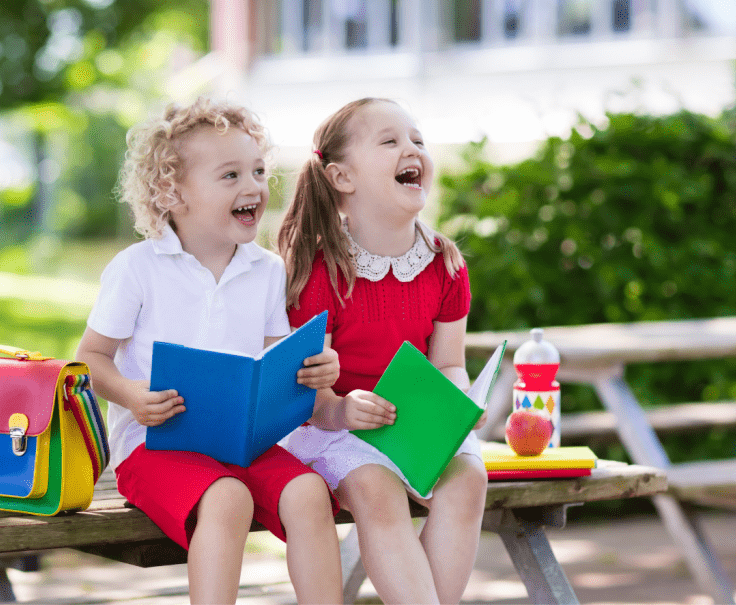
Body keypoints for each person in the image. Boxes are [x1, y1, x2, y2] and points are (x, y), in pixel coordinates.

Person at [75, 98, 343, 605]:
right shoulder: (138, 268)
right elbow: (90, 359)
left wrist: (313, 371)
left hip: (243, 444)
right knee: (227, 498)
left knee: (309, 493)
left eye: (259, 171)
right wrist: (133, 395)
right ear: (172, 192)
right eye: (230, 175)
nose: (254, 187)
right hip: (153, 446)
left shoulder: (266, 270)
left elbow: (274, 365)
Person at [276, 97, 488, 604]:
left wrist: (457, 401)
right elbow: (310, 396)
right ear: (342, 178)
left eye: (417, 140)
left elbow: (449, 364)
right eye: (390, 141)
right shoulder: (322, 270)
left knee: (469, 477)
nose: (411, 149)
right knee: (376, 489)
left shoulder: (445, 264)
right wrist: (345, 410)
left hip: (416, 427)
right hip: (336, 429)